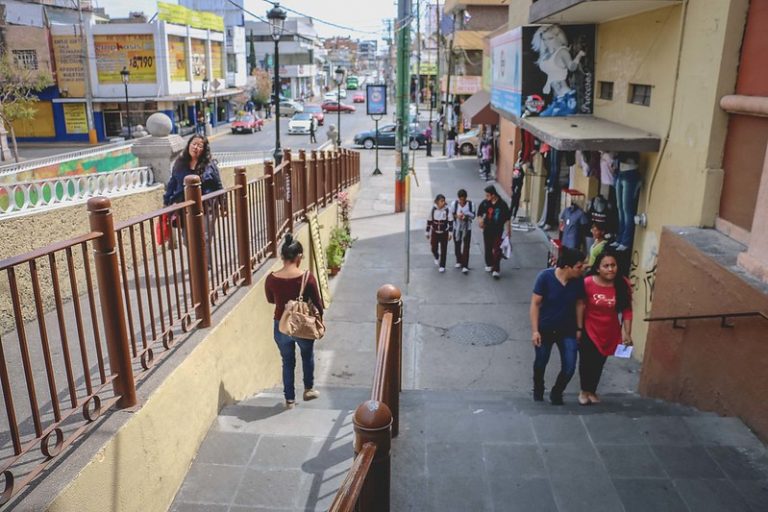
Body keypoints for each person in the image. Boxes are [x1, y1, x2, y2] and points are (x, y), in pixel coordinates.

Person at [265, 234, 324, 409]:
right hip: (302, 324)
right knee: (307, 355)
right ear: (298, 256)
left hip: (281, 324)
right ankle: (308, 389)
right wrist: (318, 318)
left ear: (283, 257)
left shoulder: (271, 278)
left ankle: (289, 400)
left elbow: (270, 300)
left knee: (287, 361)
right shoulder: (307, 277)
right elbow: (319, 304)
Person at [529, 246, 587, 405]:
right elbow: (535, 304)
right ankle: (538, 387)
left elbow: (580, 304)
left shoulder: (578, 281)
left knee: (569, 367)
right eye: (579, 266)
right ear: (567, 267)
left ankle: (557, 392)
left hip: (567, 330)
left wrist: (579, 328)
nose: (582, 269)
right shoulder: (545, 277)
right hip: (545, 329)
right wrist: (535, 331)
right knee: (540, 363)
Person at [578, 249, 632, 405]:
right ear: (597, 268)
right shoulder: (588, 283)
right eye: (606, 266)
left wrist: (627, 333)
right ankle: (584, 391)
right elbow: (580, 305)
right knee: (587, 361)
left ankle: (592, 390)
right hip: (589, 328)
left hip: (610, 331)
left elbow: (628, 311)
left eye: (613, 265)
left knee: (599, 362)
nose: (610, 269)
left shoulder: (623, 284)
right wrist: (579, 328)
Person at [164, 135, 224, 254]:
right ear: (189, 145)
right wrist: (166, 204)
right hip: (186, 209)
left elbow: (218, 186)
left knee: (205, 239)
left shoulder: (210, 165)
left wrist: (223, 205)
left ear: (204, 149)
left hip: (207, 208)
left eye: (200, 146)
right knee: (187, 240)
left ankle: (206, 268)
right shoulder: (180, 163)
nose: (196, 147)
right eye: (194, 144)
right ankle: (197, 265)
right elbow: (172, 184)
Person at [531, 24, 586, 117]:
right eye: (544, 39)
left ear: (558, 38)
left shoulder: (562, 52)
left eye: (550, 38)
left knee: (545, 118)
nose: (547, 42)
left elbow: (571, 67)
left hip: (566, 97)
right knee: (543, 116)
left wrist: (579, 56)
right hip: (557, 98)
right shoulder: (547, 54)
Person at [477, 185, 511, 279]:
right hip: (487, 229)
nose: (486, 197)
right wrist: (480, 220)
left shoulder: (502, 204)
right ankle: (489, 264)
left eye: (488, 195)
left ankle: (496, 269)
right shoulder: (485, 203)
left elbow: (508, 218)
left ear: (493, 195)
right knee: (488, 248)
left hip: (498, 230)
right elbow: (479, 213)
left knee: (497, 249)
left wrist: (508, 230)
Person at [426, 194, 452, 273]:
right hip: (435, 232)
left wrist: (450, 233)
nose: (443, 203)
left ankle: (442, 265)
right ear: (437, 202)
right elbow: (429, 221)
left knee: (444, 249)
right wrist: (427, 232)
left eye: (444, 201)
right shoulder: (433, 210)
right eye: (441, 201)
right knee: (434, 247)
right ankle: (436, 256)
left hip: (444, 232)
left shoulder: (447, 210)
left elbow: (450, 222)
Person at [450, 189, 475, 274]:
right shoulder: (454, 204)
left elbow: (473, 216)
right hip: (456, 227)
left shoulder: (471, 204)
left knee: (466, 246)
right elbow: (452, 214)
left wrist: (466, 216)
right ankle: (459, 260)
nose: (462, 201)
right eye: (460, 199)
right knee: (457, 245)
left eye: (463, 199)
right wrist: (457, 216)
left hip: (467, 228)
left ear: (466, 198)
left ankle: (465, 265)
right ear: (458, 198)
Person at [510, 153, 525, 219]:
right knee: (514, 200)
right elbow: (515, 176)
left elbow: (516, 176)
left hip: (517, 185)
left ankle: (513, 214)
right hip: (516, 184)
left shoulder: (519, 163)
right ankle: (512, 214)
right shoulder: (518, 163)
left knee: (515, 201)